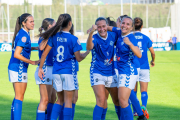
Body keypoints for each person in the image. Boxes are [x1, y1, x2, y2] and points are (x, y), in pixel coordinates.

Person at [38, 13, 90, 120]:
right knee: (68, 101)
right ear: (70, 23)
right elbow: (79, 58)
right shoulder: (73, 39)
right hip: (68, 72)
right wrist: (87, 52)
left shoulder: (54, 36)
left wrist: (40, 68)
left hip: (56, 71)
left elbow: (44, 54)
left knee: (59, 100)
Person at [86, 17, 119, 120]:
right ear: (96, 28)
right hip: (97, 72)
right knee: (101, 100)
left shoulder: (113, 35)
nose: (102, 29)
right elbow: (89, 47)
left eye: (104, 26)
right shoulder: (94, 37)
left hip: (111, 72)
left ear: (107, 26)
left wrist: (109, 27)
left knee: (117, 101)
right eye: (99, 27)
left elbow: (121, 31)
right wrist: (91, 32)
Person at [8, 13, 39, 120]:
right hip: (19, 68)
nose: (33, 23)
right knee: (19, 97)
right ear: (23, 23)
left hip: (16, 68)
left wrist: (35, 48)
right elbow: (17, 54)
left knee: (17, 96)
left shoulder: (23, 33)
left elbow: (23, 49)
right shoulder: (24, 35)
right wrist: (32, 62)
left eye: (33, 21)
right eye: (31, 21)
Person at [133, 17, 155, 119]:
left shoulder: (130, 37)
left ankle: (135, 111)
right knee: (144, 91)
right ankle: (143, 109)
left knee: (133, 91)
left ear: (133, 25)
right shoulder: (146, 38)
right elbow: (152, 52)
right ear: (142, 26)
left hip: (133, 66)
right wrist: (153, 60)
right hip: (144, 67)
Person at [34, 18, 56, 120]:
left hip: (53, 69)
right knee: (45, 99)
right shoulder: (44, 36)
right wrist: (48, 34)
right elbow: (42, 48)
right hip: (44, 69)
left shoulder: (53, 36)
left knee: (52, 98)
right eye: (55, 24)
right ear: (50, 26)